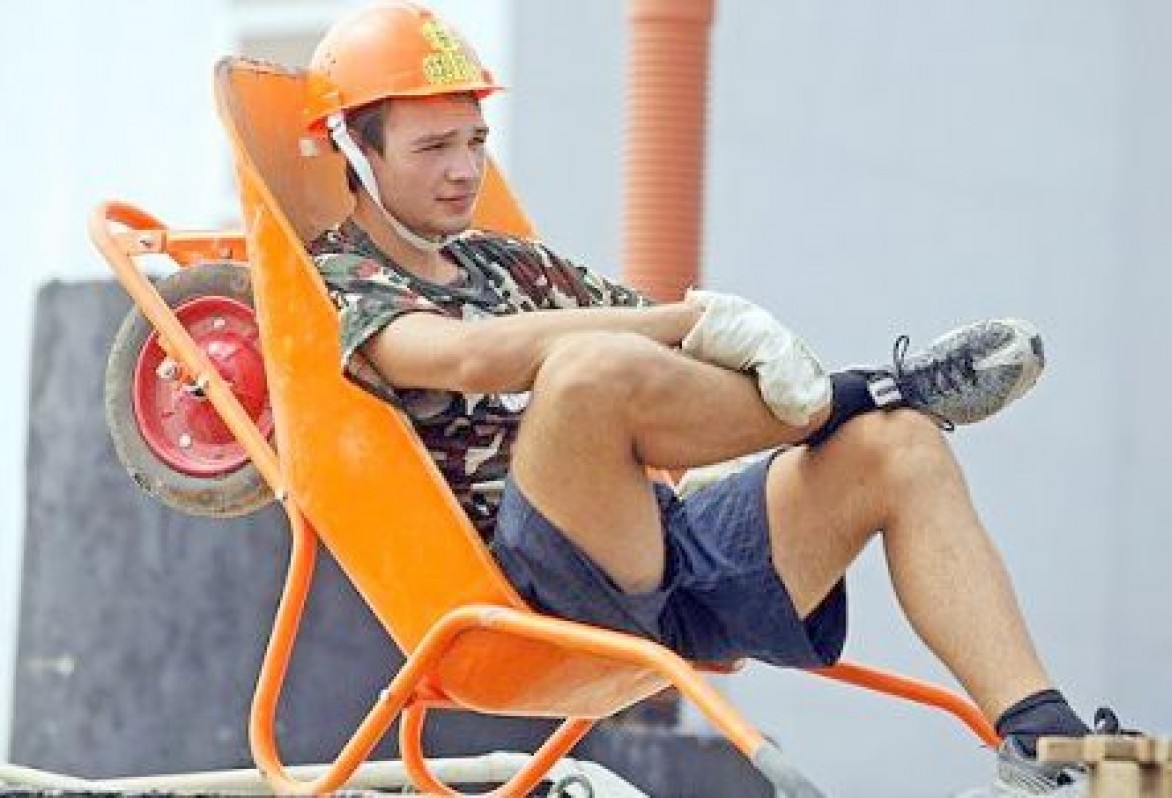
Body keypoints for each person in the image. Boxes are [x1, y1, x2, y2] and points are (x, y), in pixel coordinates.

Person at [302, 4, 1128, 794]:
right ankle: (854, 392)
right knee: (588, 368)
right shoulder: (342, 279)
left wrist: (716, 344)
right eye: (433, 147)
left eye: (476, 140)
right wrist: (692, 320)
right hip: (530, 592)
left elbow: (668, 363)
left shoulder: (506, 263)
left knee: (900, 442)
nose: (464, 169)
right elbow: (466, 356)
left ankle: (1045, 745)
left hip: (654, 545)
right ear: (356, 151)